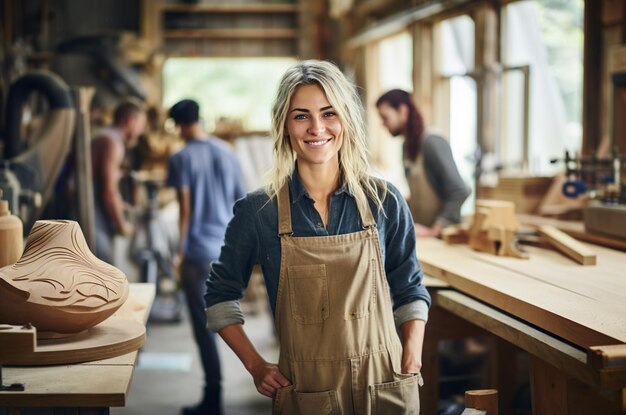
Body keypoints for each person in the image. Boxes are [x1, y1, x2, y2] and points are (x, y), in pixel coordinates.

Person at [204, 60, 430, 414]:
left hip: (385, 383)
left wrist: (412, 353)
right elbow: (219, 297)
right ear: (284, 125)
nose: (316, 128)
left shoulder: (384, 200)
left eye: (329, 113)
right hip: (308, 393)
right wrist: (255, 365)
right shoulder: (258, 211)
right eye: (301, 116)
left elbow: (410, 285)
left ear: (346, 120)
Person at [166, 99, 246, 415]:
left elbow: (185, 209)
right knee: (227, 322)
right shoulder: (228, 153)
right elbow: (242, 204)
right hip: (225, 252)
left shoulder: (181, 157)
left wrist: (179, 252)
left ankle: (213, 398)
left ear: (179, 125)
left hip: (197, 253)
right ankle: (218, 392)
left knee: (204, 328)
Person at [376, 89, 470, 237]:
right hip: (424, 236)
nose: (383, 124)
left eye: (385, 117)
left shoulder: (432, 142)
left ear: (402, 111)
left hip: (443, 237)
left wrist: (434, 230)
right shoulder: (407, 147)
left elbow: (460, 190)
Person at [92, 98, 146, 263]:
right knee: (104, 264)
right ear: (131, 121)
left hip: (92, 209)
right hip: (89, 213)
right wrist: (122, 225)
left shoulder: (105, 136)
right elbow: (109, 191)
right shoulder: (112, 142)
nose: (142, 130)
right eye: (141, 124)